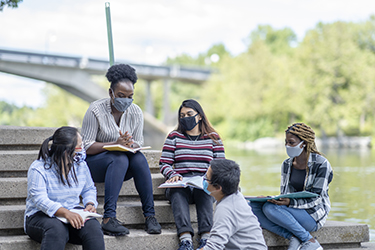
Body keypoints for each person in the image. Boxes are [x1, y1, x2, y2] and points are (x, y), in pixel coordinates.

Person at [81, 63, 161, 236]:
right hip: (95, 165)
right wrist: (113, 145)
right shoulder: (95, 110)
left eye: (130, 96)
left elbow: (138, 142)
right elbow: (85, 147)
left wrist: (130, 145)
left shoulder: (136, 112)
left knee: (138, 158)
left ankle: (150, 216)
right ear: (111, 93)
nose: (126, 100)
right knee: (118, 157)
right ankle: (109, 218)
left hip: (121, 168)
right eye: (121, 95)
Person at [250, 123, 333, 250]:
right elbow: (285, 193)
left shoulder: (321, 164)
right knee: (253, 207)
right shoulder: (287, 164)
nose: (287, 146)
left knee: (270, 209)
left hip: (313, 214)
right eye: (286, 142)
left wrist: (289, 202)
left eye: (291, 142)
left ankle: (309, 241)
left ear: (304, 143)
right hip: (293, 209)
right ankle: (294, 237)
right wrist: (273, 199)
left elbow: (317, 198)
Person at [159, 99, 225, 250]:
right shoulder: (174, 137)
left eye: (189, 114)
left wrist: (208, 179)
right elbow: (164, 163)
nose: (185, 118)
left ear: (199, 116)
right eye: (182, 115)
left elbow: (220, 165)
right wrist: (173, 175)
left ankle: (206, 239)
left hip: (203, 182)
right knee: (177, 191)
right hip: (180, 183)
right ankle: (185, 239)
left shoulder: (213, 138)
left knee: (205, 190)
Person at [24, 126, 105, 250]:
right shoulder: (38, 168)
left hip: (72, 213)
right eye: (80, 146)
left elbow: (89, 188)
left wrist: (89, 203)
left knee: (93, 228)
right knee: (57, 229)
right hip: (41, 216)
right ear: (66, 151)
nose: (83, 150)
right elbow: (40, 200)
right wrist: (65, 213)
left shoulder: (81, 165)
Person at [200, 159, 267, 250]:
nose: (203, 180)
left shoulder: (225, 209)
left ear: (218, 187)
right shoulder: (236, 196)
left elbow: (213, 247)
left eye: (206, 178)